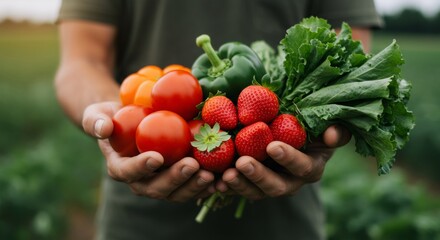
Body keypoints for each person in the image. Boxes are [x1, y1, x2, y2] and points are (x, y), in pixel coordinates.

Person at [54, 0, 382, 239]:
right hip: (139, 222)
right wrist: (109, 115)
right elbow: (82, 62)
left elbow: (346, 55)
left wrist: (321, 131)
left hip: (284, 223)